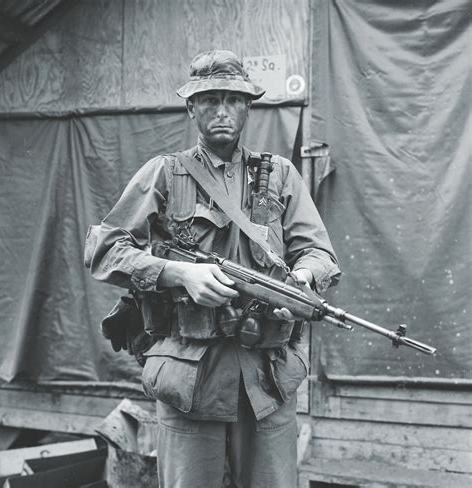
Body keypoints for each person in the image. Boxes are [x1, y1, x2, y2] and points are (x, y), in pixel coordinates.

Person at [89, 50, 340, 488]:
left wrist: (298, 284)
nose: (221, 110)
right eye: (209, 100)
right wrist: (179, 274)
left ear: (247, 106)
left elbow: (320, 254)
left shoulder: (278, 176)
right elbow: (105, 249)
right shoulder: (164, 175)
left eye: (232, 99)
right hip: (191, 379)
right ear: (191, 108)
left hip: (266, 379)